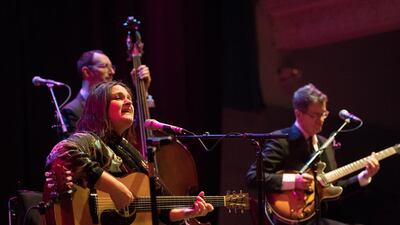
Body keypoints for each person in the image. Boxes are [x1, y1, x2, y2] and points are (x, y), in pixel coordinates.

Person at [44, 81, 214, 225]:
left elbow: (161, 208)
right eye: (118, 97)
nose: (128, 102)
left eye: (129, 99)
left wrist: (187, 213)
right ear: (100, 107)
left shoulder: (132, 153)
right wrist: (115, 188)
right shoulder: (90, 139)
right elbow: (62, 153)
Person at [246, 83, 380, 225]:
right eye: (315, 115)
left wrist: (364, 176)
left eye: (324, 114)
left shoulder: (325, 144)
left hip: (317, 218)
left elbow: (333, 188)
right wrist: (293, 181)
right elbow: (253, 177)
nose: (321, 119)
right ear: (298, 114)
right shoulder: (281, 140)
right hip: (291, 219)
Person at [60, 49, 151, 138]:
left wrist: (143, 90)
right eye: (104, 66)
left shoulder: (112, 104)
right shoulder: (71, 110)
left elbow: (134, 135)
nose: (112, 72)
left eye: (112, 67)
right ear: (86, 72)